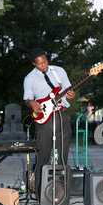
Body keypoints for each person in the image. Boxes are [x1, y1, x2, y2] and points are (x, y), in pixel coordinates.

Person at [23, 48, 76, 197]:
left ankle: (61, 192)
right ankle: (41, 192)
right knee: (43, 154)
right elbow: (27, 99)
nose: (44, 65)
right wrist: (32, 103)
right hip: (45, 119)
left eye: (45, 61)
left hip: (63, 114)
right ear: (34, 64)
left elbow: (69, 91)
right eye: (40, 64)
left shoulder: (58, 71)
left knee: (62, 155)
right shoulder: (29, 79)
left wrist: (72, 95)